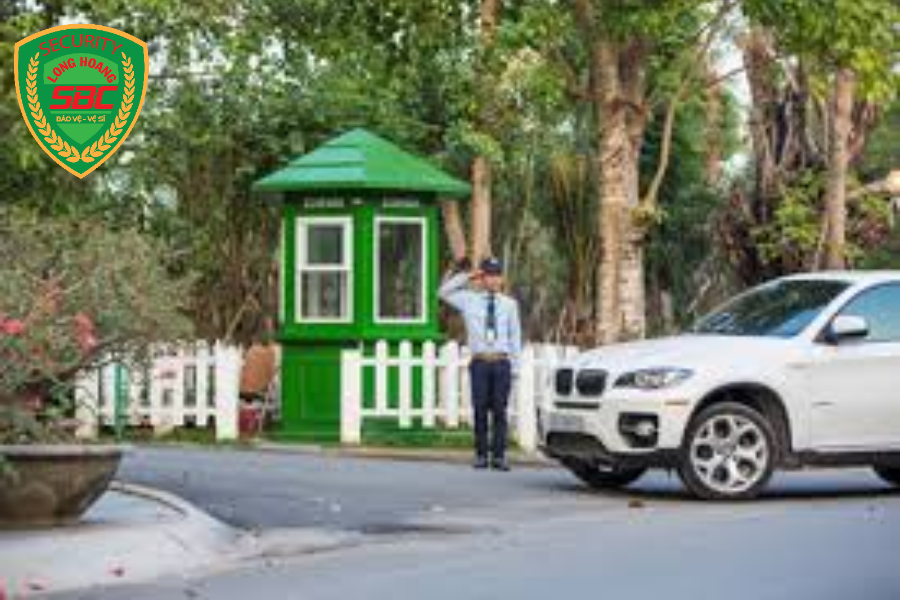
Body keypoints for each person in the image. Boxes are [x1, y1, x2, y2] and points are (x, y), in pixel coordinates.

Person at [439, 257, 522, 471]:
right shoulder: (469, 300)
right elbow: (443, 292)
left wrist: (515, 367)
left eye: (496, 275)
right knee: (480, 409)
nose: (493, 280)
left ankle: (499, 456)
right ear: (482, 279)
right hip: (480, 362)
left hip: (501, 362)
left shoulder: (509, 305)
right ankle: (481, 455)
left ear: (502, 279)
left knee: (500, 410)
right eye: (488, 276)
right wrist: (468, 276)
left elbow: (515, 336)